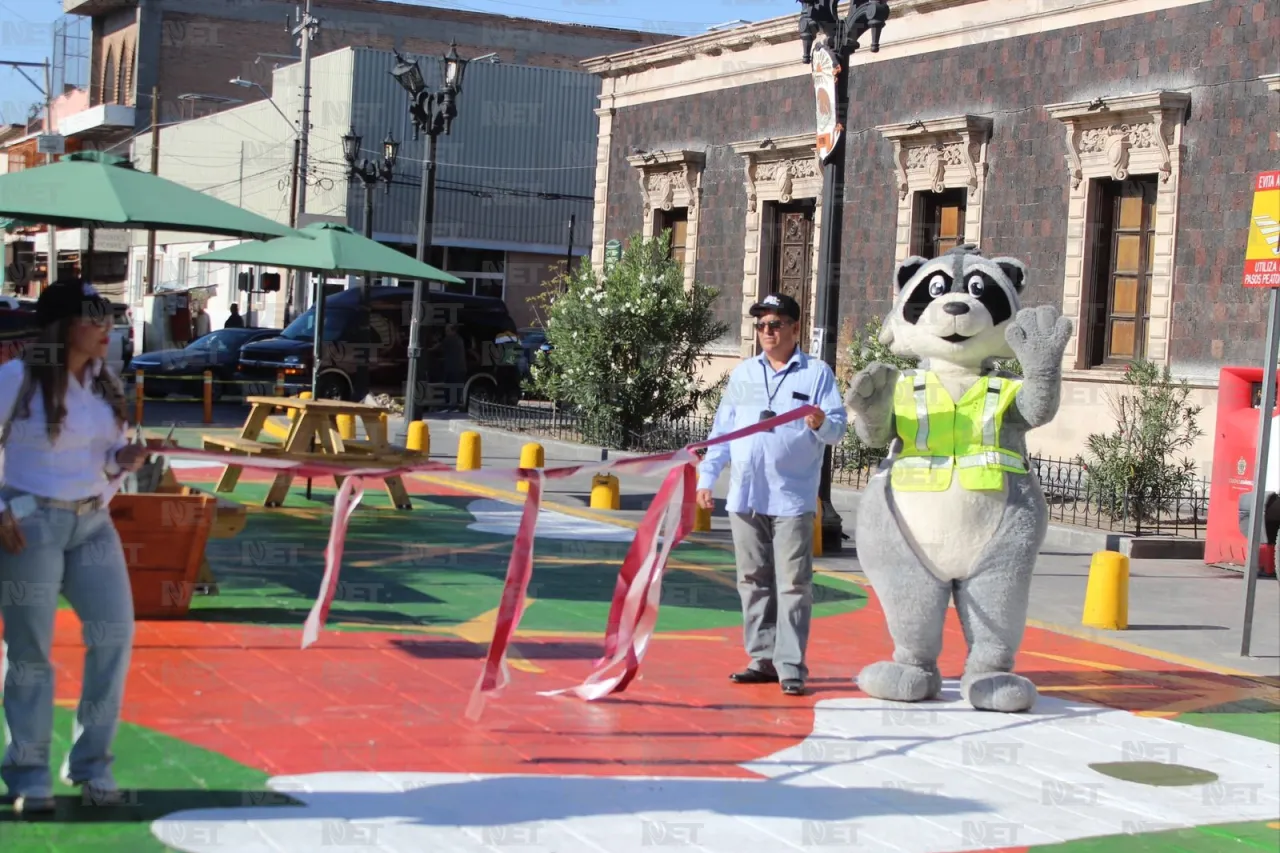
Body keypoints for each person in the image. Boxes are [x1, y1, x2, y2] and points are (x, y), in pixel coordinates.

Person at [0, 280, 149, 816]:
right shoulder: (14, 380)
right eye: (95, 318)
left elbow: (101, 455)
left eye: (110, 317)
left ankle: (92, 765)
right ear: (64, 326)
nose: (107, 328)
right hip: (30, 523)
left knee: (115, 637)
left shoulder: (104, 385)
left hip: (93, 524)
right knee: (30, 653)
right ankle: (29, 773)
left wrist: (120, 459)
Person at [695, 292, 847, 696]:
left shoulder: (816, 374)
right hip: (745, 495)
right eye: (761, 324)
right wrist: (707, 478)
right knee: (752, 579)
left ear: (795, 329)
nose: (767, 331)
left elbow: (837, 428)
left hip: (791, 498)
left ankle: (791, 664)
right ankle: (761, 658)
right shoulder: (744, 374)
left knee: (794, 583)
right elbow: (723, 432)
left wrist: (818, 423)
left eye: (775, 324)